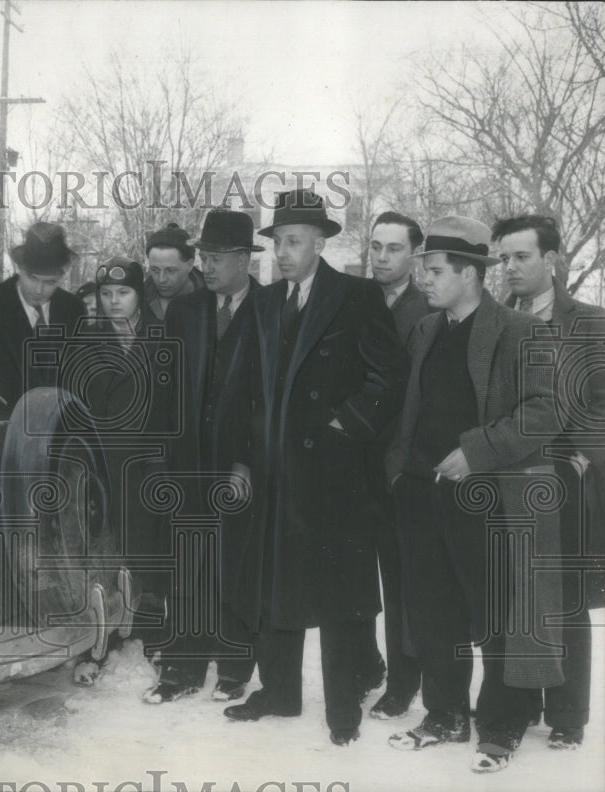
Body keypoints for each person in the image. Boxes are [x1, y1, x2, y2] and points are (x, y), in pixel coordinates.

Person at [224, 190, 407, 748]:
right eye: (277, 241)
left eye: (294, 241)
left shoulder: (355, 296)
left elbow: (389, 376)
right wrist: (240, 458)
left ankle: (343, 707)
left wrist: (344, 428)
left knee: (337, 594)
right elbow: (240, 387)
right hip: (274, 471)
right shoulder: (263, 303)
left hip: (334, 477)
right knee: (273, 582)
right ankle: (278, 692)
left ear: (320, 243)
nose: (282, 252)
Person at [385, 216, 564, 773]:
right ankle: (445, 713)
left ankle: (503, 723)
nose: (426, 283)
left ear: (470, 275)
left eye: (435, 272)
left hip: (486, 499)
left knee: (495, 615)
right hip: (423, 493)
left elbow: (545, 412)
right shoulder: (425, 331)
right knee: (434, 611)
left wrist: (477, 452)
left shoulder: (519, 330)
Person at [493, 213, 605, 751]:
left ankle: (568, 714)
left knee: (565, 600)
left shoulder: (591, 323)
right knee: (512, 596)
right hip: (503, 485)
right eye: (504, 258)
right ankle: (516, 706)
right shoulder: (493, 323)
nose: (510, 267)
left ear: (552, 260)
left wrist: (582, 453)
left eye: (522, 256)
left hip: (565, 483)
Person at [141, 210, 260, 705]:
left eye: (215, 258)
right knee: (189, 563)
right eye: (204, 257)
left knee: (235, 566)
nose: (205, 267)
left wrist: (248, 461)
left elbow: (269, 398)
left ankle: (235, 668)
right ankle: (182, 669)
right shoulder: (187, 311)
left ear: (242, 259)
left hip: (239, 465)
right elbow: (165, 389)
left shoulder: (269, 310)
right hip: (188, 463)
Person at [71, 256, 165, 685]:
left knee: (148, 548)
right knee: (104, 552)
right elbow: (76, 402)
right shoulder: (87, 339)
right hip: (103, 464)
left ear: (139, 295)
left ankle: (151, 635)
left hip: (149, 463)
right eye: (106, 294)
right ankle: (100, 641)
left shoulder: (159, 336)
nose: (113, 302)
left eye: (122, 293)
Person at [357, 211, 433, 719]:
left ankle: (406, 681)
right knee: (357, 572)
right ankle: (367, 665)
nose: (381, 258)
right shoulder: (355, 299)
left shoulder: (426, 308)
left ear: (414, 256)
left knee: (404, 579)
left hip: (402, 466)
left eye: (393, 249)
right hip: (352, 462)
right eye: (376, 247)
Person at [0, 222, 86, 409]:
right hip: (0, 426)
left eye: (50, 282)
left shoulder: (74, 309)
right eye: (32, 278)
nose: (39, 290)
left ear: (62, 277)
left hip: (56, 429)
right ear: (19, 269)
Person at [145, 222, 204, 321]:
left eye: (170, 270)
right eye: (155, 270)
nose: (161, 279)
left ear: (189, 265)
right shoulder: (137, 300)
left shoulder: (214, 300)